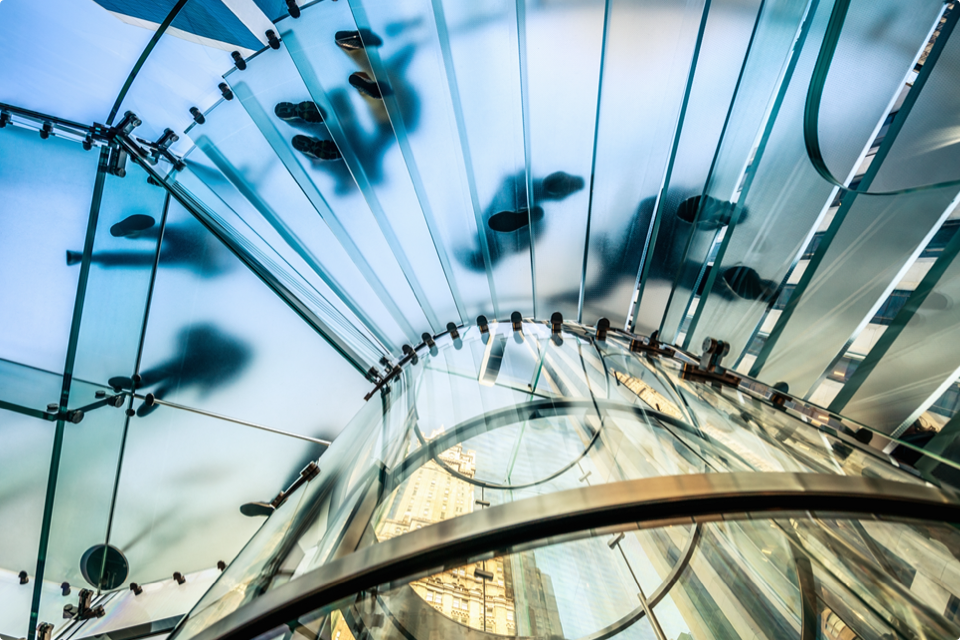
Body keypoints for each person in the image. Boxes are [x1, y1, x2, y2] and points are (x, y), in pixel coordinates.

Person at [108, 324, 251, 417]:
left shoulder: (225, 346)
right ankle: (154, 393)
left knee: (165, 372)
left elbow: (191, 333)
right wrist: (209, 387)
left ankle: (143, 384)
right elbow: (225, 377)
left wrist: (210, 386)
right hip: (197, 368)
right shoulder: (231, 354)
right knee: (169, 383)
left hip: (193, 362)